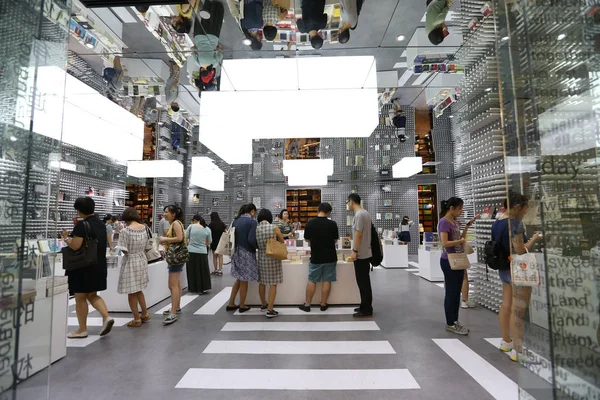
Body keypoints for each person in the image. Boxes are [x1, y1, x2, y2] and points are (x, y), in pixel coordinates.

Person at [492, 193, 543, 362]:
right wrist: (534, 239)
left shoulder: (498, 222)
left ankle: (506, 341)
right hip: (518, 269)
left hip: (504, 269)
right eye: (525, 207)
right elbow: (520, 249)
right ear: (517, 207)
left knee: (506, 305)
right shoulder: (515, 224)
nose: (526, 210)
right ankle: (518, 350)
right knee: (518, 310)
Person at [62, 197, 114, 338]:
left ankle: (82, 329)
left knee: (80, 297)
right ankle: (106, 317)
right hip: (98, 265)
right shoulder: (100, 224)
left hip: (82, 266)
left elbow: (75, 245)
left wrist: (66, 237)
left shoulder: (81, 225)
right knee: (92, 295)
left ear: (78, 210)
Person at [438, 197, 477, 335]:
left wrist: (467, 226)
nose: (461, 211)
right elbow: (444, 243)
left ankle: (455, 321)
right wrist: (458, 241)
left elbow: (461, 239)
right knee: (451, 293)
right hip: (449, 260)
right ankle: (450, 323)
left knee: (456, 294)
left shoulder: (455, 222)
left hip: (458, 259)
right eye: (460, 208)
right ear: (451, 208)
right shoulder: (443, 222)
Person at [299, 202, 339, 312]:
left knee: (312, 280)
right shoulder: (333, 224)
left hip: (316, 256)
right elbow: (335, 240)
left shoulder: (310, 223)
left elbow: (307, 239)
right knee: (327, 280)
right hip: (330, 257)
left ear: (318, 210)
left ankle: (307, 305)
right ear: (328, 212)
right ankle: (323, 304)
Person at [117, 207, 150, 327]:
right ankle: (145, 314)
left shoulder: (125, 231)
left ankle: (136, 319)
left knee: (131, 292)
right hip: (142, 259)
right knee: (138, 289)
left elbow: (124, 250)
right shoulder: (144, 228)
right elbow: (148, 245)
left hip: (131, 261)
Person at [179, 1, 225, 86]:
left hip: (212, 36)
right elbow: (192, 49)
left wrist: (217, 48)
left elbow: (221, 53)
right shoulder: (198, 63)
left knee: (213, 19)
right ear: (201, 71)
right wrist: (197, 46)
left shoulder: (214, 64)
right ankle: (206, 3)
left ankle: (215, 5)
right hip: (198, 36)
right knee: (203, 17)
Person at [226, 204, 258, 313]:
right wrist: (257, 247)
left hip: (236, 252)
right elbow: (251, 239)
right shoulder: (252, 222)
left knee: (239, 279)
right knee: (244, 280)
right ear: (252, 211)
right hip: (247, 252)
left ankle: (231, 303)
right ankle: (242, 305)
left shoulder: (236, 221)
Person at [159, 205, 186, 325]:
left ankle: (173, 311)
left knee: (172, 285)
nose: (164, 214)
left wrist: (165, 239)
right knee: (177, 284)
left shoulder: (175, 223)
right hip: (177, 256)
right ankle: (177, 307)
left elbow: (180, 238)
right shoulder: (176, 223)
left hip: (175, 257)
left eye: (167, 212)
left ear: (173, 214)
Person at [347, 193, 373, 317]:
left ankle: (366, 308)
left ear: (351, 202)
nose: (348, 205)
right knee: (364, 281)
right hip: (365, 252)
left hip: (361, 254)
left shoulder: (359, 215)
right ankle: (364, 305)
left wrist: (355, 251)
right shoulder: (365, 213)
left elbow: (358, 234)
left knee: (363, 282)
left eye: (348, 202)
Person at [256, 208, 285, 318]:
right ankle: (270, 309)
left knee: (262, 282)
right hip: (273, 258)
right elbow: (282, 241)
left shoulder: (256, 228)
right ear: (269, 218)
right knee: (273, 283)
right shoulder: (274, 227)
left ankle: (263, 304)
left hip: (261, 258)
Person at [186, 214, 213, 294]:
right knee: (202, 271)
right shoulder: (207, 229)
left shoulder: (191, 227)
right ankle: (202, 288)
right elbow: (209, 242)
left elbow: (186, 237)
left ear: (195, 221)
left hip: (191, 251)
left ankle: (192, 287)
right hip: (202, 252)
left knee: (192, 270)